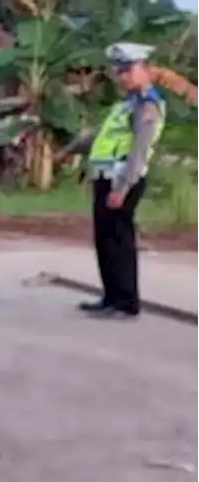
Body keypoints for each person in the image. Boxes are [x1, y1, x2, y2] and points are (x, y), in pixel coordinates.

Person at [79, 42, 167, 320]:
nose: (123, 77)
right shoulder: (125, 105)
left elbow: (139, 152)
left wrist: (122, 187)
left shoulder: (148, 106)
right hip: (105, 179)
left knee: (120, 241)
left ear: (143, 69)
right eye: (119, 72)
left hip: (124, 182)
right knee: (104, 240)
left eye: (128, 71)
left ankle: (127, 302)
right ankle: (110, 297)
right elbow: (103, 139)